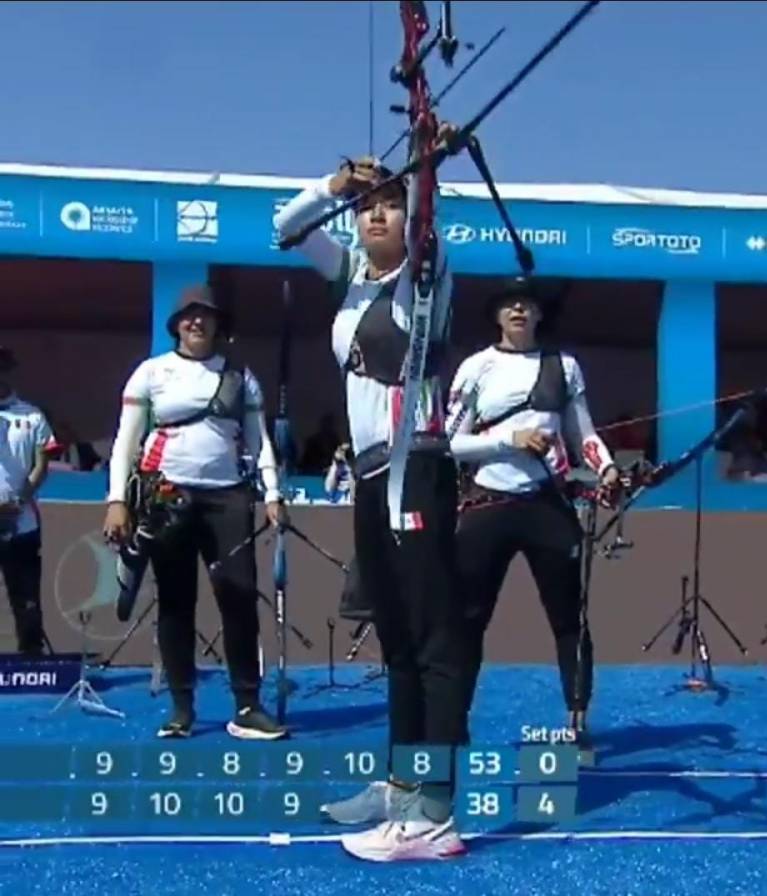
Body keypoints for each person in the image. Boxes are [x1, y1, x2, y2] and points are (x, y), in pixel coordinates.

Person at [274, 148, 468, 862]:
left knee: (431, 638)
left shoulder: (427, 275)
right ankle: (400, 785)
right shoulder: (352, 280)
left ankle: (438, 813)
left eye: (389, 204)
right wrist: (334, 183)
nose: (376, 213)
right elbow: (286, 228)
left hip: (417, 469)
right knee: (394, 639)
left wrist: (423, 163)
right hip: (370, 473)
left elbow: (426, 224)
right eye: (367, 207)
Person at [102, 285, 288, 740]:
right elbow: (126, 440)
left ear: (217, 323)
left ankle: (247, 706)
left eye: (205, 315)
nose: (196, 322)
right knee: (176, 602)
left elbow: (258, 437)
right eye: (188, 315)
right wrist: (117, 501)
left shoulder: (240, 375)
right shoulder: (151, 372)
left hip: (229, 497)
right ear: (176, 324)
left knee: (240, 598)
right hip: (167, 497)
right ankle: (182, 709)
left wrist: (273, 492)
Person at [445, 277, 619, 743]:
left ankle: (577, 721)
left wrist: (605, 468)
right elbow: (449, 443)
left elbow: (584, 434)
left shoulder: (564, 366)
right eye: (509, 304)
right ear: (497, 315)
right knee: (467, 619)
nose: (519, 310)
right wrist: (509, 439)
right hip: (487, 505)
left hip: (546, 503)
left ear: (540, 314)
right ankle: (453, 721)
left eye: (527, 304)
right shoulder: (476, 367)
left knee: (570, 618)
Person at [0, 347, 54, 656]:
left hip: (21, 522)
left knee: (27, 600)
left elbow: (41, 463)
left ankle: (32, 660)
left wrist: (20, 499)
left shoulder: (31, 415)